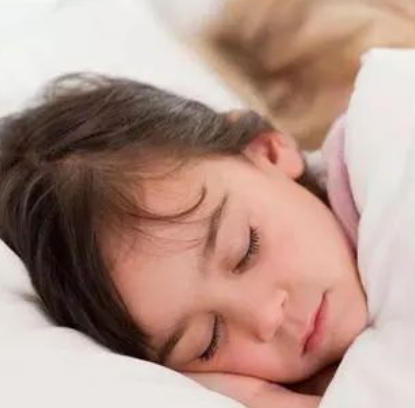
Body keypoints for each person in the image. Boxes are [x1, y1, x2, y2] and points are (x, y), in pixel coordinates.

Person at [0, 74, 368, 408]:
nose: (266, 316)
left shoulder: (387, 156)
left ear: (267, 151)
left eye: (247, 250)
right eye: (208, 342)